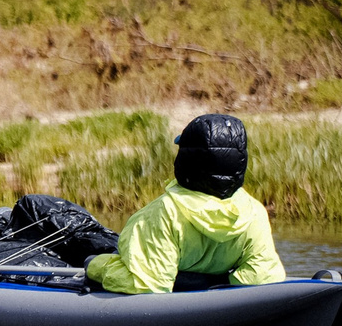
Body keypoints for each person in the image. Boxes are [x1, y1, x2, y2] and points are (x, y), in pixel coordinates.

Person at [85, 113, 285, 294]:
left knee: (95, 259)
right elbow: (262, 276)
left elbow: (147, 285)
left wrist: (96, 266)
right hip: (217, 298)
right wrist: (218, 284)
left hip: (169, 302)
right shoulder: (255, 212)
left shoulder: (164, 213)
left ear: (186, 161)